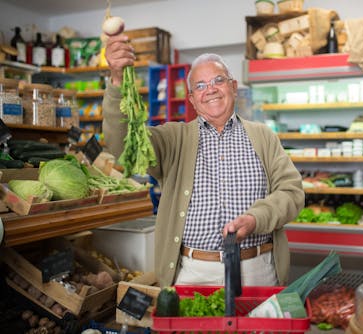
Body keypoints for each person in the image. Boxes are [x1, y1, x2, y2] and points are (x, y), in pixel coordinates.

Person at [102, 34, 304, 288]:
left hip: (257, 270)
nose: (210, 89)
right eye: (200, 86)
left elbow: (292, 192)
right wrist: (118, 80)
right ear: (192, 100)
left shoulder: (262, 135)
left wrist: (256, 218)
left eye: (218, 80)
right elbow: (123, 145)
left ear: (233, 86)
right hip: (193, 272)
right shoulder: (174, 139)